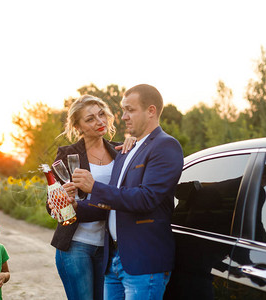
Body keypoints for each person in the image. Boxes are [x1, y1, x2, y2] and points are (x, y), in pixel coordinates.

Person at [71, 84, 184, 299]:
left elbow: (146, 198)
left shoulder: (166, 146)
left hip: (143, 261)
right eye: (123, 110)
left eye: (130, 110)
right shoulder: (125, 150)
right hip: (113, 260)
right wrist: (75, 206)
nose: (123, 117)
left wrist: (94, 186)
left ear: (151, 111)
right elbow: (112, 200)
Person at [47, 94, 136, 300]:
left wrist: (136, 141)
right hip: (75, 245)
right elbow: (51, 204)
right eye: (90, 119)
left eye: (101, 114)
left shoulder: (121, 150)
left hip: (110, 247)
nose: (100, 121)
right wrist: (60, 203)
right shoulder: (67, 155)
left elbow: (126, 196)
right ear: (78, 127)